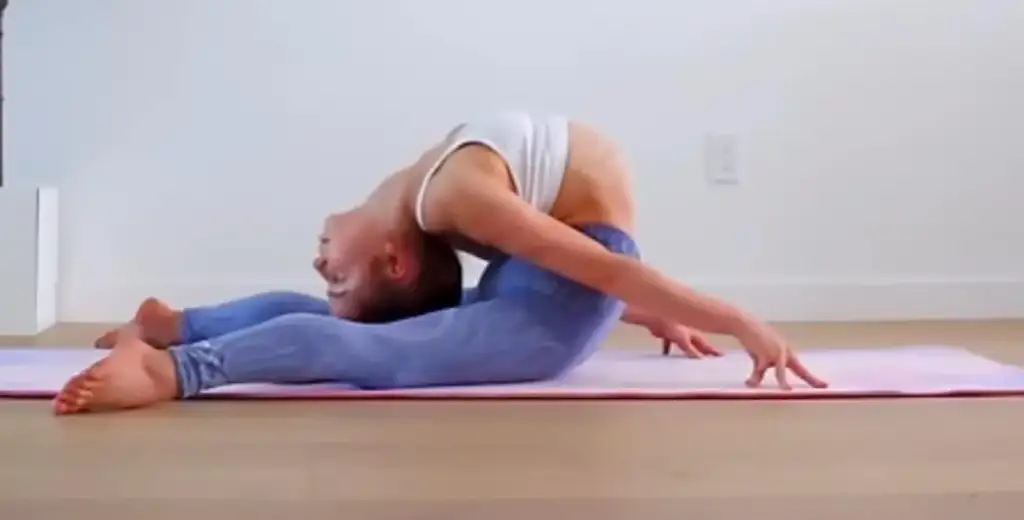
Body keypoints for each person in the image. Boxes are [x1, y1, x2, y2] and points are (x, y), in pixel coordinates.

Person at [54, 112, 827, 415]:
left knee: (372, 348)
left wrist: (737, 321)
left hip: (554, 293)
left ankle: (178, 358)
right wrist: (647, 308)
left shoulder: (451, 191)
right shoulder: (440, 193)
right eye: (337, 274)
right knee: (360, 336)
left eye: (335, 271)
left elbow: (599, 265)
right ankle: (176, 336)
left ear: (395, 257)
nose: (322, 262)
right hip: (545, 293)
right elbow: (579, 257)